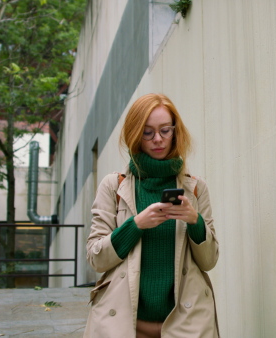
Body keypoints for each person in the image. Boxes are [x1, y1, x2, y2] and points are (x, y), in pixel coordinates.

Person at [84, 93, 220, 337]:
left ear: (175, 132)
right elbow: (96, 259)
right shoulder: (113, 186)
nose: (158, 139)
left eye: (165, 130)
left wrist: (194, 221)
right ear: (135, 134)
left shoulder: (196, 188)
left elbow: (209, 262)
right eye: (147, 132)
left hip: (187, 325)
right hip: (123, 325)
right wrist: (135, 225)